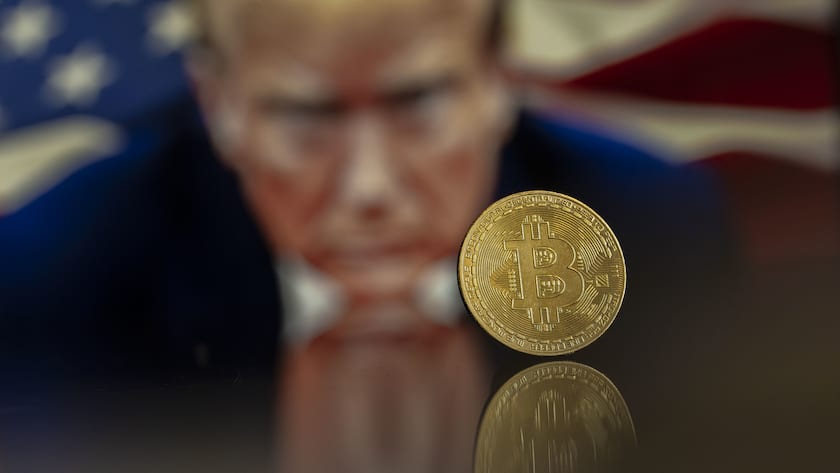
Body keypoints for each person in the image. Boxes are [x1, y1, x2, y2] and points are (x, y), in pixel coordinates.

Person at [0, 0, 731, 387]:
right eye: (308, 114)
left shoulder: (649, 232)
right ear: (219, 104)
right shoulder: (54, 275)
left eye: (418, 101)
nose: (370, 187)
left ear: (498, 79)